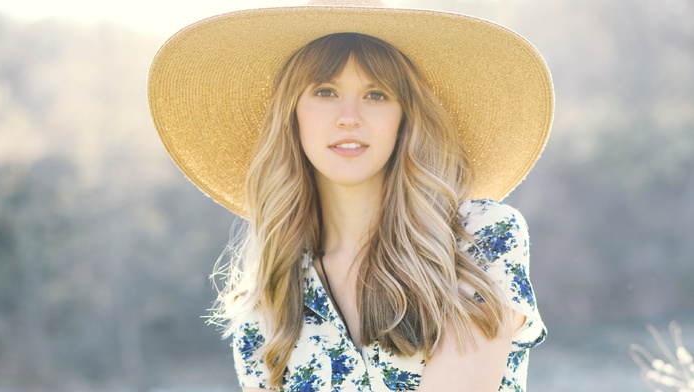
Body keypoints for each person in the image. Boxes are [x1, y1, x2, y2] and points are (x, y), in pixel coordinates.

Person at [147, 1, 553, 391]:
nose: (348, 117)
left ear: (404, 118)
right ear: (293, 114)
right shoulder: (266, 298)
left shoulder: (480, 240)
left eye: (376, 95)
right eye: (325, 91)